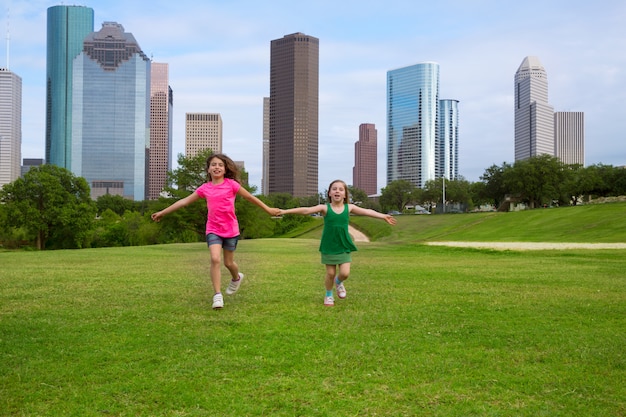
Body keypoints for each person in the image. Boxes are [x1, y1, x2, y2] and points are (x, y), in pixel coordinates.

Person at [151, 153, 280, 310]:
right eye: (213, 165)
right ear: (208, 170)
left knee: (228, 263)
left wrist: (268, 209)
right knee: (215, 259)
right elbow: (184, 201)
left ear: (225, 169)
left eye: (220, 165)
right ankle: (217, 296)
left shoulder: (231, 185)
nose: (217, 167)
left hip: (231, 230)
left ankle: (236, 277)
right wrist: (163, 212)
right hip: (213, 229)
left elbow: (250, 198)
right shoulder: (205, 188)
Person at [278, 179, 396, 306]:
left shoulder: (349, 207)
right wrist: (284, 211)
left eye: (341, 189)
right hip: (329, 244)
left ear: (345, 194)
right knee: (330, 273)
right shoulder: (324, 208)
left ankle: (338, 282)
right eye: (334, 189)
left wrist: (383, 216)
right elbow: (306, 210)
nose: (337, 191)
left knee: (344, 273)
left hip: (343, 244)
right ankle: (329, 294)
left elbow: (367, 211)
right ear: (329, 193)